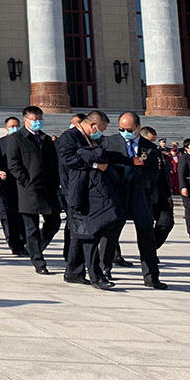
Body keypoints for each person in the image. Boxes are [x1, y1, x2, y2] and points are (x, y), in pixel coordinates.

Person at [101, 112, 165, 289]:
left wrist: (138, 177)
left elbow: (155, 172)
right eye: (121, 129)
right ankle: (104, 270)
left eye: (129, 130)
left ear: (138, 128)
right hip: (117, 194)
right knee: (110, 233)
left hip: (139, 194)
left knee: (146, 234)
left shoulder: (149, 148)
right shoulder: (109, 142)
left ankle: (151, 276)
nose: (125, 133)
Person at [57, 110, 120, 289]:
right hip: (76, 190)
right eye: (101, 129)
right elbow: (69, 159)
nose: (101, 133)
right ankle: (96, 276)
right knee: (89, 233)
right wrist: (95, 164)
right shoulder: (69, 137)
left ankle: (73, 272)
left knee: (80, 233)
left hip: (89, 189)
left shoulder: (91, 138)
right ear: (93, 125)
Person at [6, 106, 61, 275]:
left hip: (48, 189)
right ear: (26, 120)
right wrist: (25, 180)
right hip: (29, 190)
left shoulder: (46, 139)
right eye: (34, 119)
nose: (38, 122)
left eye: (40, 119)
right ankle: (38, 262)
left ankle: (33, 248)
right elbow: (13, 164)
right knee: (32, 229)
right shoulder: (16, 138)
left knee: (54, 223)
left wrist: (56, 182)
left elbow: (54, 162)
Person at [0, 118, 26, 256]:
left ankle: (25, 242)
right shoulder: (1, 143)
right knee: (11, 215)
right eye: (12, 126)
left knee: (24, 215)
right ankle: (15, 243)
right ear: (6, 127)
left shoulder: (24, 141)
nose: (15, 128)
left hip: (23, 183)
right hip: (8, 183)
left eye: (17, 125)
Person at [141, 126, 175, 249]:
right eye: (150, 140)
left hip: (158, 193)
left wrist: (168, 194)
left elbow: (162, 175)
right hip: (143, 193)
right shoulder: (136, 150)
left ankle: (151, 248)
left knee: (166, 222)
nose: (152, 144)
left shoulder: (155, 151)